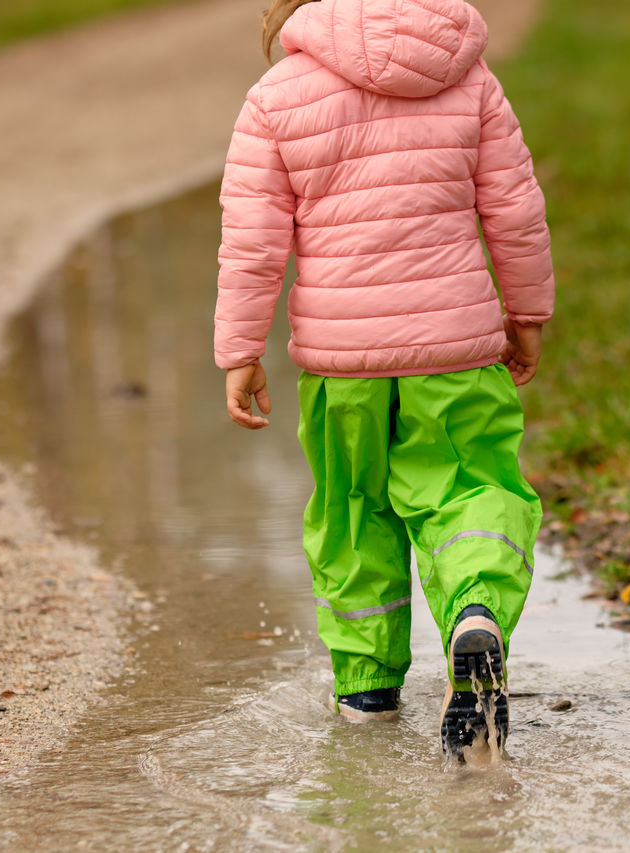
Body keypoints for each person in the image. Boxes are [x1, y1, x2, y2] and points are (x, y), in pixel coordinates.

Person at [214, 0, 553, 761]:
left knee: (353, 513)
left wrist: (240, 349)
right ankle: (476, 611)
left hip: (343, 368)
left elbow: (252, 242)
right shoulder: (469, 79)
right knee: (469, 489)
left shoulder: (277, 97)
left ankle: (366, 690)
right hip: (456, 351)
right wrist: (526, 308)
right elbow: (515, 208)